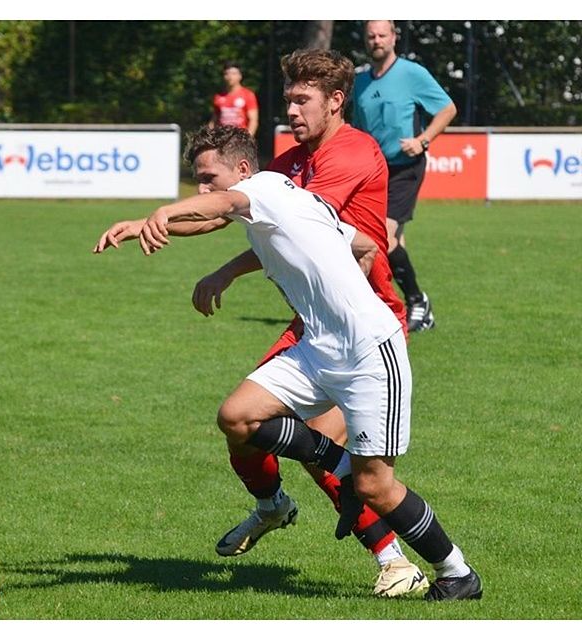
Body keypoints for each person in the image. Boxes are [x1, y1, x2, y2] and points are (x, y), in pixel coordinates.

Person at [97, 50, 425, 599]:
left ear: (335, 101)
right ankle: (272, 506)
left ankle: (397, 563)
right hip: (314, 318)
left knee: (326, 449)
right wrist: (152, 226)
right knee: (243, 420)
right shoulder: (291, 161)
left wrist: (189, 233)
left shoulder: (351, 153)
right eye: (289, 98)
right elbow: (239, 215)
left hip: (365, 317)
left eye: (302, 99)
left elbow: (306, 229)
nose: (291, 109)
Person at [352, 20, 458, 333]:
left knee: (381, 236)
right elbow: (358, 129)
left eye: (382, 35)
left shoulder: (412, 73)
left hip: (404, 168)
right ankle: (394, 306)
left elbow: (447, 109)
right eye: (371, 36)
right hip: (373, 172)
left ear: (394, 37)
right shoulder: (359, 82)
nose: (376, 41)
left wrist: (422, 140)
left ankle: (416, 301)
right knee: (389, 241)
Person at [210, 61, 259, 138]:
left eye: (233, 73)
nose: (230, 77)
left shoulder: (248, 95)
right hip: (222, 139)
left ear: (240, 76)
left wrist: (248, 139)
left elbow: (253, 120)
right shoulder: (219, 97)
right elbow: (214, 120)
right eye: (227, 74)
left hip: (239, 139)